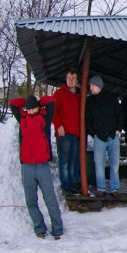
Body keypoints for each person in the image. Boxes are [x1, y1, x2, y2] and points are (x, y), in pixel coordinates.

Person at [9, 95, 64, 240]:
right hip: (27, 167)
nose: (32, 111)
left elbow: (51, 100)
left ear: (39, 108)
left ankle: (58, 229)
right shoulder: (22, 117)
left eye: (34, 108)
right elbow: (13, 103)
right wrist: (27, 102)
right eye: (29, 108)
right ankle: (40, 228)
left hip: (42, 166)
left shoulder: (45, 117)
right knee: (31, 201)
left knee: (50, 199)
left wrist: (38, 102)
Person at [85, 75, 124, 198]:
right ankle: (101, 188)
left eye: (92, 85)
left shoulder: (112, 98)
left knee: (114, 164)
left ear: (98, 85)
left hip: (113, 135)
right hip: (99, 137)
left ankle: (114, 189)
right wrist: (93, 133)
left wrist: (118, 129)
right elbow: (88, 119)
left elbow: (120, 114)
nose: (90, 88)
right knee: (99, 164)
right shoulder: (90, 100)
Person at [52, 68, 82, 197]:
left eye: (73, 78)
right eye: (69, 78)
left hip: (76, 132)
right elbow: (52, 112)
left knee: (74, 160)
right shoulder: (59, 93)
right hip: (64, 133)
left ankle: (74, 182)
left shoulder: (79, 95)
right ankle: (66, 185)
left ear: (77, 80)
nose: (71, 80)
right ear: (66, 79)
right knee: (64, 160)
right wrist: (59, 126)